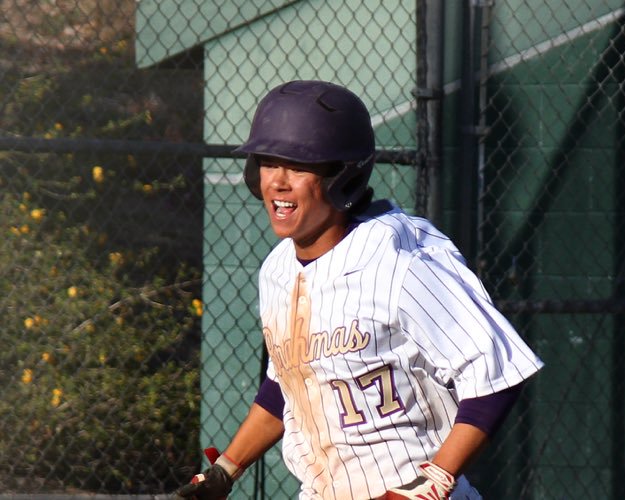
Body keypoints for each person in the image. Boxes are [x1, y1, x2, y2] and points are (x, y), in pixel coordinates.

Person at [175, 81, 543, 499]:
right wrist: (226, 470)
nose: (277, 182)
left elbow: (496, 372)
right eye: (267, 162)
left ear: (343, 175)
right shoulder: (277, 268)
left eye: (297, 166)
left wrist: (432, 482)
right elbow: (288, 382)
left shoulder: (400, 258)